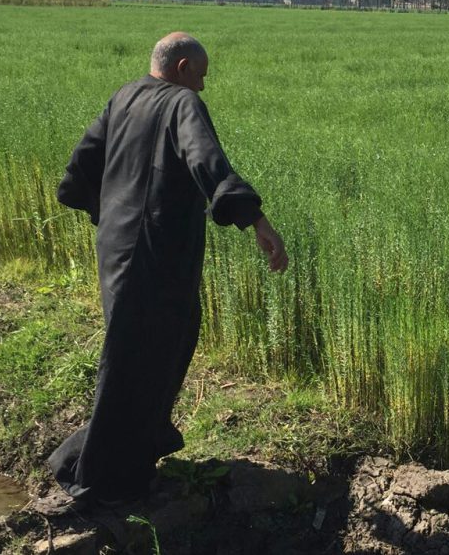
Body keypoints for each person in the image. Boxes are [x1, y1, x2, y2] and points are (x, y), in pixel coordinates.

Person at [48, 31, 288, 504]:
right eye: (201, 76)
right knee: (139, 359)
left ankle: (124, 461)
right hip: (153, 255)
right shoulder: (182, 104)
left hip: (118, 249)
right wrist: (257, 220)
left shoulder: (124, 96)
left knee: (146, 351)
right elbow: (208, 162)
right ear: (182, 69)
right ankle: (97, 477)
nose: (202, 87)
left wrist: (109, 213)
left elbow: (79, 169)